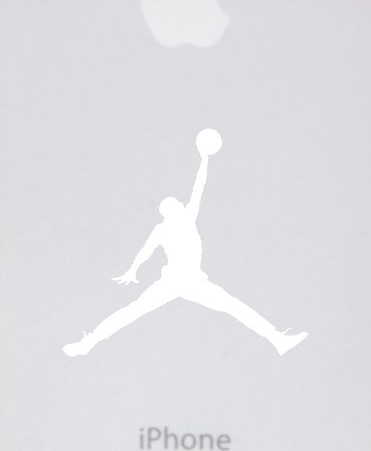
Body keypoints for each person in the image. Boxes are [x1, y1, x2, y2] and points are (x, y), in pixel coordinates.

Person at [63, 130, 307, 357]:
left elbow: (197, 188)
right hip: (178, 280)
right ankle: (87, 343)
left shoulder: (175, 223)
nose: (182, 204)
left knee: (138, 310)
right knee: (228, 307)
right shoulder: (176, 223)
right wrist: (133, 269)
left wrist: (133, 269)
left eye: (180, 203)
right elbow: (148, 248)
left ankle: (278, 339)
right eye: (177, 204)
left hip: (188, 280)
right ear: (171, 210)